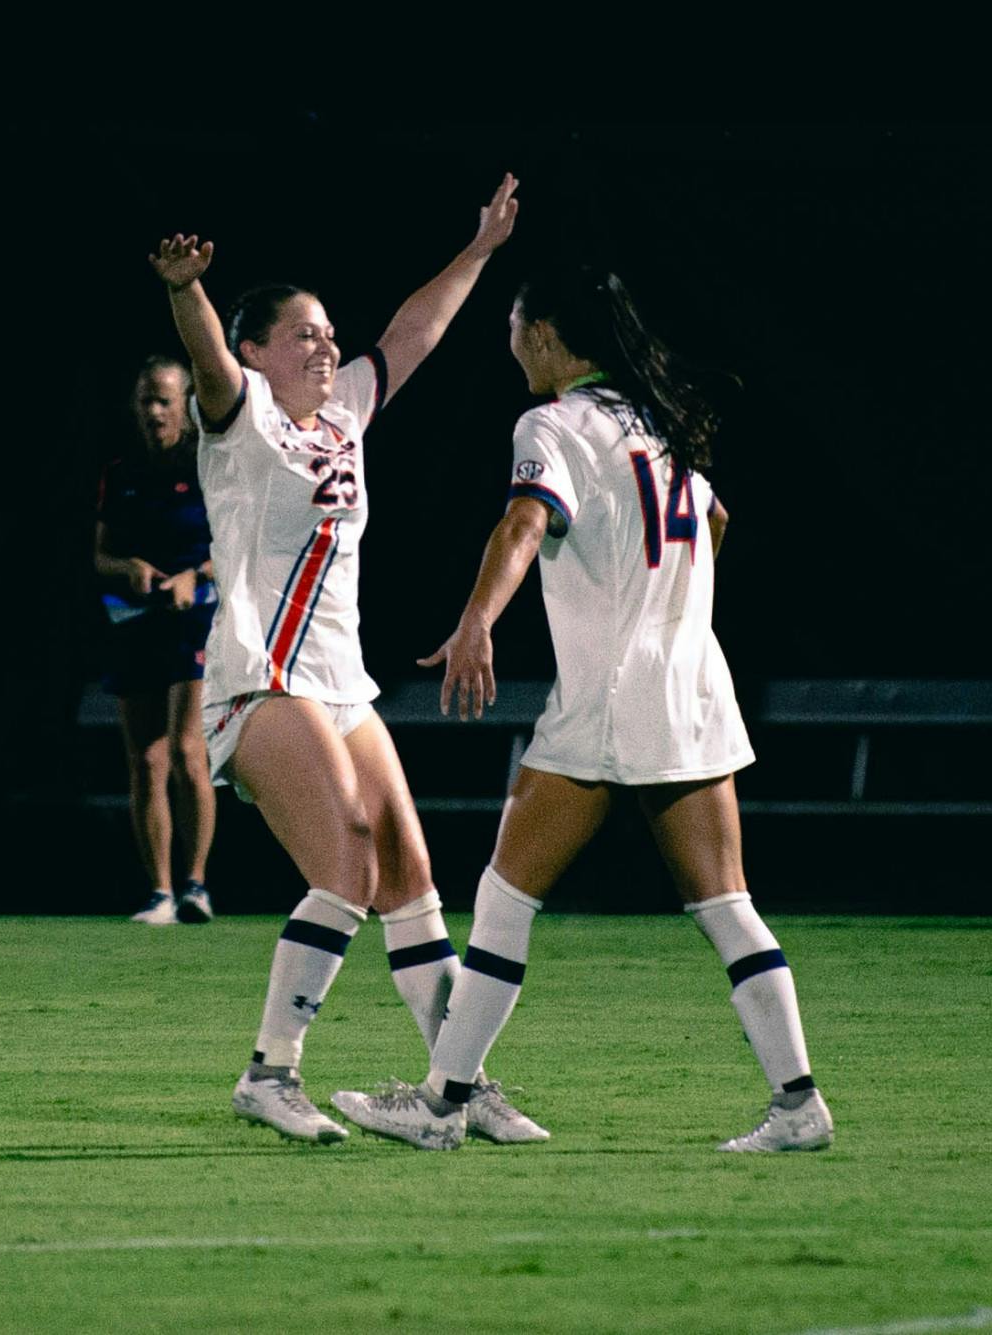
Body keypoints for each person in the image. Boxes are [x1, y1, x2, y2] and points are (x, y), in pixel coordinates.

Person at [330, 267, 833, 1153]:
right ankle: (799, 1103)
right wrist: (669, 608)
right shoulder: (659, 419)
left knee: (503, 894)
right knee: (726, 904)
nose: (511, 342)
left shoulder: (553, 423)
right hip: (690, 683)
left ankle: (443, 1104)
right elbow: (713, 522)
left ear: (550, 336)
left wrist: (477, 619)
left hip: (609, 694)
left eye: (517, 326)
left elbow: (525, 522)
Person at [149, 173, 548, 1145]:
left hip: (338, 683)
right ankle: (267, 1073)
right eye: (303, 335)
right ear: (256, 353)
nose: (326, 345)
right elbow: (204, 361)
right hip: (259, 679)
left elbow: (410, 332)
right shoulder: (241, 416)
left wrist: (479, 250)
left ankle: (457, 1086)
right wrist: (183, 290)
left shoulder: (344, 414)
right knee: (347, 866)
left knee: (409, 878)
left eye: (328, 333)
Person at [94, 356, 217, 925]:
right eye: (146, 400)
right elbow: (101, 553)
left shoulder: (209, 462)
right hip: (135, 619)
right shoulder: (120, 470)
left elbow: (240, 544)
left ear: (187, 404)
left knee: (188, 751)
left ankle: (196, 886)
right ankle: (160, 894)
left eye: (164, 399)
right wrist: (129, 569)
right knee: (145, 760)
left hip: (196, 619)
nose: (154, 411)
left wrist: (198, 574)